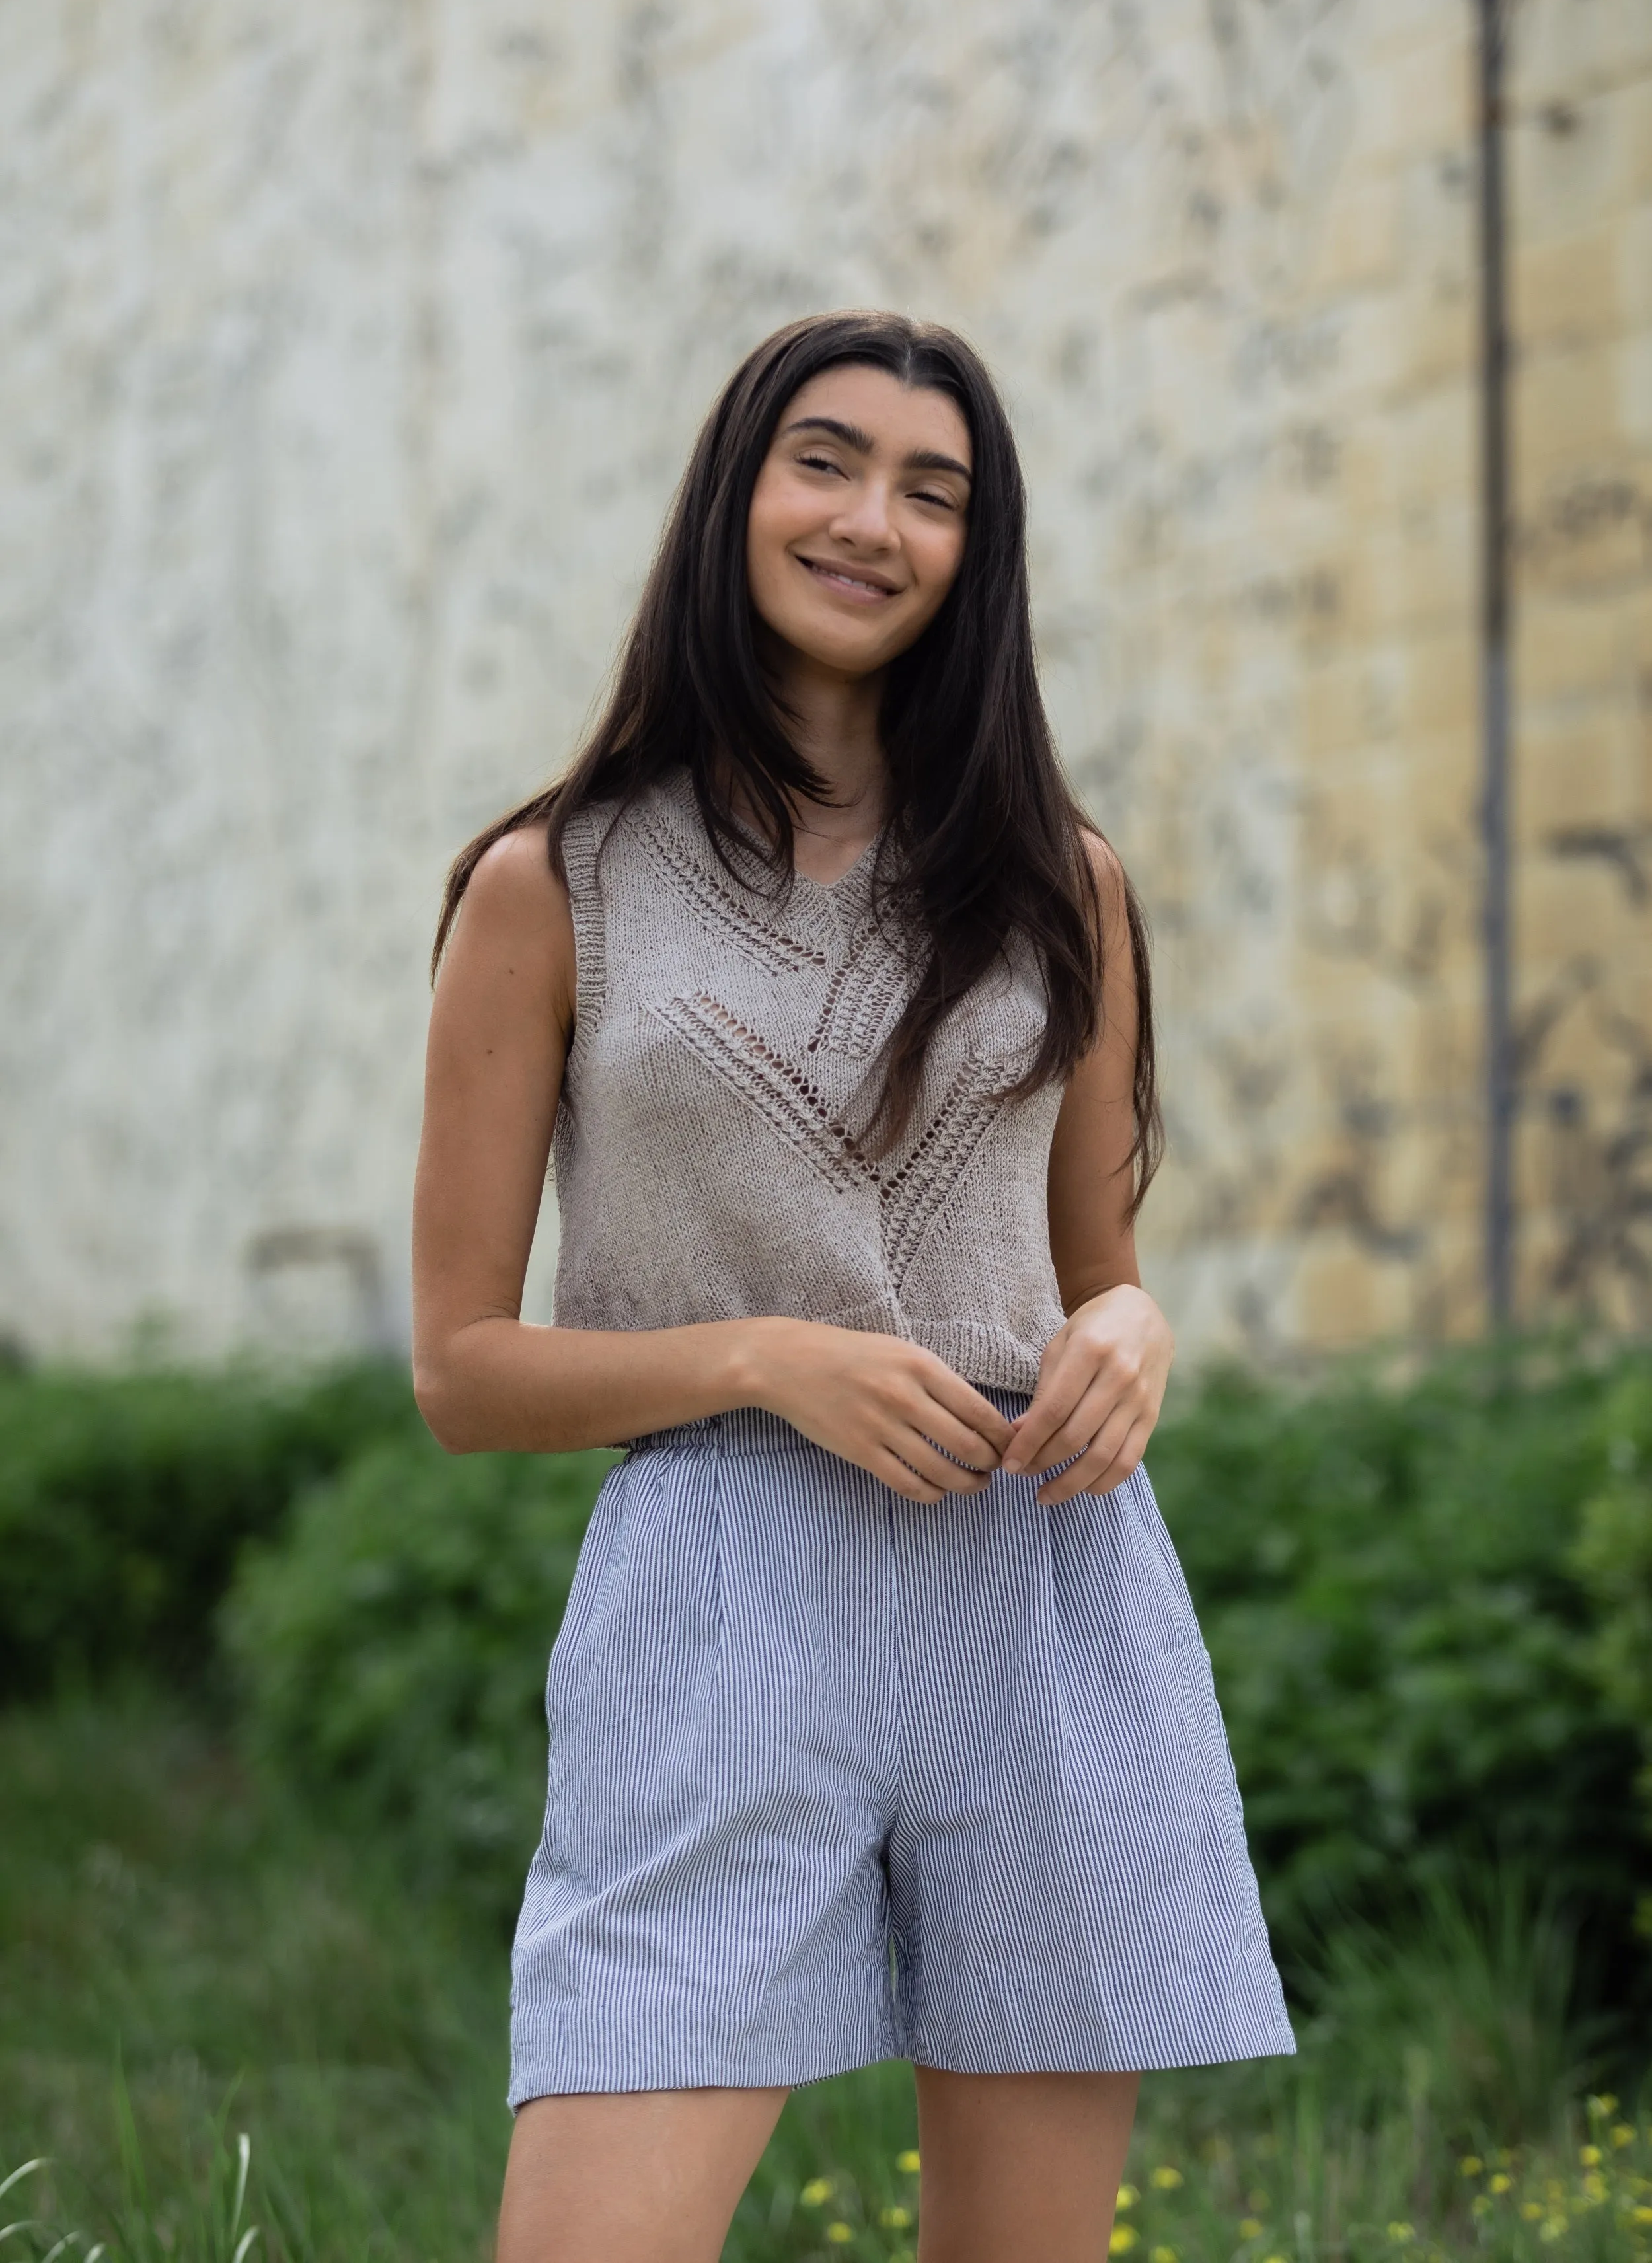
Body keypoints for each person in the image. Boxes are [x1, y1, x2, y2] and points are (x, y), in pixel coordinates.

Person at [411, 310, 1294, 2263]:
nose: (871, 519)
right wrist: (760, 1357)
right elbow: (461, 1368)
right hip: (719, 1599)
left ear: (978, 552)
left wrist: (1130, 1335)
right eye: (826, 460)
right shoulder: (549, 885)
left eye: (933, 490)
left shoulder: (1059, 881)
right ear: (733, 491)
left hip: (1044, 1587)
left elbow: (1099, 1274)